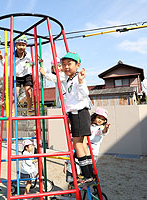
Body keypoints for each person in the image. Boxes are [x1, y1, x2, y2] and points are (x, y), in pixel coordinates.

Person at [61, 52, 94, 185]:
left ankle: (87, 176)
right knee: (83, 144)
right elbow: (56, 77)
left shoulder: (77, 79)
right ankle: (90, 174)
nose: (66, 67)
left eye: (69, 64)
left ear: (78, 65)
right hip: (79, 114)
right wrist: (45, 73)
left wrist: (81, 81)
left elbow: (84, 94)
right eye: (64, 65)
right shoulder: (69, 79)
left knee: (78, 144)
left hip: (78, 113)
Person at [0, 35, 34, 116]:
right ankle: (12, 110)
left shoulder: (28, 55)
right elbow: (5, 64)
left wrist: (31, 64)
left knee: (28, 92)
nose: (21, 47)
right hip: (16, 76)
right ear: (15, 45)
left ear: (26, 46)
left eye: (23, 45)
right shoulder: (12, 55)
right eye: (19, 45)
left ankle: (30, 109)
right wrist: (1, 58)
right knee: (14, 94)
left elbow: (32, 63)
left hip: (26, 75)